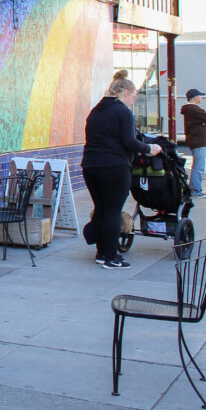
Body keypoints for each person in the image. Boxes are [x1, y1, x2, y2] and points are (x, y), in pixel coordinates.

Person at [82, 71, 161, 269]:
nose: (133, 101)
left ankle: (101, 252)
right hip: (114, 167)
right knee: (112, 212)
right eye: (132, 96)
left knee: (101, 209)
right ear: (125, 92)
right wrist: (149, 148)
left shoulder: (96, 111)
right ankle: (111, 257)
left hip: (90, 166)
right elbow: (129, 141)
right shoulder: (122, 112)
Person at [180, 88, 206, 198]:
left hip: (196, 141)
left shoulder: (190, 109)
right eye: (200, 96)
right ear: (195, 98)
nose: (201, 98)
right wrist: (204, 123)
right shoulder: (193, 109)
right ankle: (195, 190)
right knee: (199, 167)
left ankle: (194, 189)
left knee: (198, 166)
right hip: (198, 141)